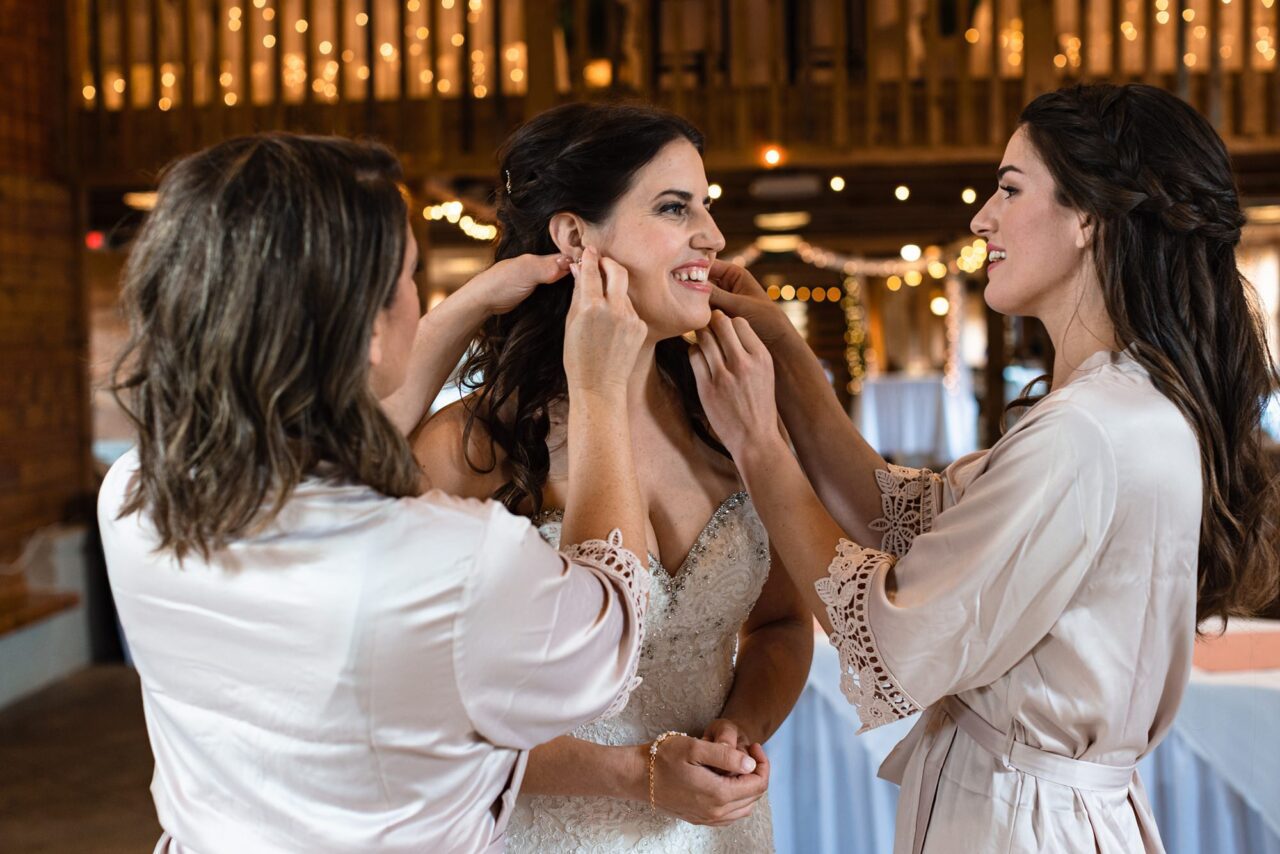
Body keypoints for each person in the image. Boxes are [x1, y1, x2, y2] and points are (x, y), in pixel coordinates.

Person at [688, 83, 1280, 853]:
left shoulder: (1087, 432)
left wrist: (759, 445)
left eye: (1009, 189)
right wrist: (790, 357)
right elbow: (905, 519)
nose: (981, 218)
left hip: (1017, 824)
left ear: (1088, 218)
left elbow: (887, 637)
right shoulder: (1127, 401)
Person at [99, 132, 655, 853]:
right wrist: (601, 392)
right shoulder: (450, 563)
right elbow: (609, 634)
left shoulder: (136, 496)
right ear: (365, 324)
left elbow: (330, 441)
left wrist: (472, 303)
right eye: (412, 278)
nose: (420, 298)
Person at [412, 102, 814, 852]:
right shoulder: (470, 449)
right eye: (673, 207)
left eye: (707, 206)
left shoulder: (730, 417)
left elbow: (782, 625)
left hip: (720, 834)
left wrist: (744, 724)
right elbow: (419, 717)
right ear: (573, 236)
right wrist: (635, 774)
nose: (713, 236)